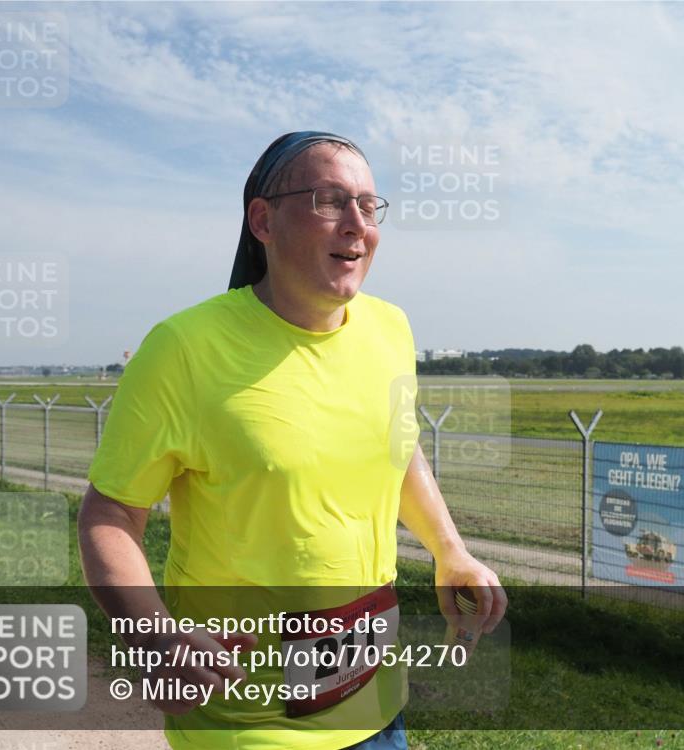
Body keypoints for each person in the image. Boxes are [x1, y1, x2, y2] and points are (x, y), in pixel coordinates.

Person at [78, 131, 508, 750]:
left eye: (368, 204)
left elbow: (397, 446)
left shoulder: (390, 329)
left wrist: (450, 550)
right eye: (330, 201)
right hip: (245, 718)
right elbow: (110, 512)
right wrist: (154, 633)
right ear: (264, 220)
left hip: (378, 703)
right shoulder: (183, 349)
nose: (357, 224)